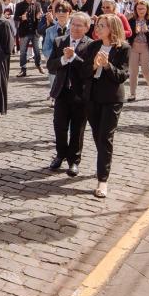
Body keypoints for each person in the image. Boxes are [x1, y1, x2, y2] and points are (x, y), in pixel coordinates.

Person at [85, 15, 129, 198]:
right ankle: (103, 162)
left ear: (113, 28)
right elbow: (84, 71)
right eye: (97, 25)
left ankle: (102, 180)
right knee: (97, 135)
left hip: (111, 99)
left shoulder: (123, 48)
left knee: (105, 137)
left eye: (102, 26)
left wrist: (107, 65)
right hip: (93, 97)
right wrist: (94, 66)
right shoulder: (93, 46)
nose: (98, 28)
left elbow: (122, 75)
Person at [47, 12, 93, 177]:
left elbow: (88, 70)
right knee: (59, 126)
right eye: (73, 24)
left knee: (77, 129)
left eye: (79, 25)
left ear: (87, 28)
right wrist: (63, 60)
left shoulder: (91, 45)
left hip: (80, 94)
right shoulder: (60, 41)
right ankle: (60, 154)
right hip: (61, 92)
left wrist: (74, 58)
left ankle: (74, 160)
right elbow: (51, 65)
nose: (75, 28)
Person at [125, 0, 149, 101]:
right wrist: (135, 32)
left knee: (146, 71)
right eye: (138, 8)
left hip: (146, 48)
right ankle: (132, 94)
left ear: (147, 9)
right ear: (135, 9)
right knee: (133, 71)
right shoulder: (131, 20)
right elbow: (129, 35)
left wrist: (147, 31)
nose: (141, 10)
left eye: (143, 8)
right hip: (134, 47)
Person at [41, 2, 72, 103]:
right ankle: (55, 98)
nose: (61, 13)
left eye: (64, 11)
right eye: (58, 11)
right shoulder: (50, 30)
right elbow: (46, 48)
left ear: (69, 13)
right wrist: (56, 59)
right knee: (55, 83)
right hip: (55, 62)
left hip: (71, 61)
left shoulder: (74, 28)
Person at [13, 0, 43, 76]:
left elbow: (40, 16)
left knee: (37, 50)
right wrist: (21, 18)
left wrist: (39, 17)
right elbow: (15, 18)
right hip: (24, 31)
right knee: (23, 51)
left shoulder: (37, 4)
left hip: (34, 31)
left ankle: (38, 64)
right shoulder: (19, 5)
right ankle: (23, 69)